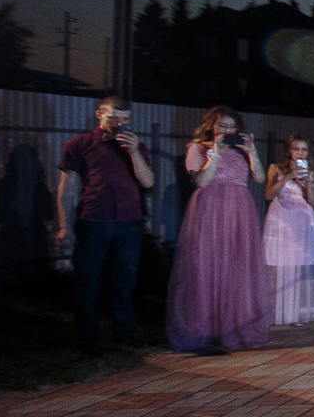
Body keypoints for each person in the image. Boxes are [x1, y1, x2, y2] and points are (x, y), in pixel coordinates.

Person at [56, 94, 155, 358]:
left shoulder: (137, 146)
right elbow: (67, 188)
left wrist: (134, 151)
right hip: (93, 219)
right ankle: (87, 340)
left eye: (126, 119)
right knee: (88, 282)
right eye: (114, 118)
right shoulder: (78, 145)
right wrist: (65, 226)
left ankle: (124, 335)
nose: (120, 124)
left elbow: (147, 182)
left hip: (129, 221)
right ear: (100, 114)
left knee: (125, 281)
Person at [167, 105, 271, 352]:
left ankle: (235, 327)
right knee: (208, 268)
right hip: (211, 210)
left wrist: (252, 151)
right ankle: (206, 330)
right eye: (222, 126)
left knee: (237, 270)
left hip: (240, 212)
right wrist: (214, 153)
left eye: (232, 127)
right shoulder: (197, 148)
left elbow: (259, 178)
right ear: (211, 127)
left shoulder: (239, 152)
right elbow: (201, 181)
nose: (227, 131)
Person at [263, 134, 314, 326]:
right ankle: (276, 311)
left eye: (304, 149)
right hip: (281, 220)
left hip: (303, 221)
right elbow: (268, 194)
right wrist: (286, 178)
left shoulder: (313, 173)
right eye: (296, 149)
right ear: (289, 151)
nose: (300, 153)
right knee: (278, 267)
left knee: (300, 267)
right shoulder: (275, 169)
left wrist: (308, 185)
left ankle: (297, 312)